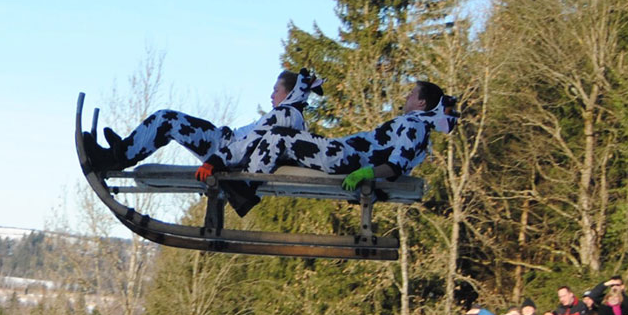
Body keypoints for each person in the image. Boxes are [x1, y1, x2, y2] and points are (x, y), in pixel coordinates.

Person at [84, 68, 323, 214]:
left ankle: (117, 157)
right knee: (166, 119)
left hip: (222, 148)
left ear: (289, 93)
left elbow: (253, 144)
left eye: (276, 90)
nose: (272, 95)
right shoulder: (291, 116)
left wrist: (219, 161)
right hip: (223, 143)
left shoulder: (288, 115)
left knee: (167, 119)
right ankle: (123, 150)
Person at [234, 81, 459, 212]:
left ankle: (242, 191)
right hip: (345, 155)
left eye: (411, 94)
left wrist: (364, 173)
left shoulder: (414, 124)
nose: (406, 97)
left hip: (346, 157)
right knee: (286, 147)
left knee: (279, 135)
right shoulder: (417, 127)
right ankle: (242, 177)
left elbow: (395, 166)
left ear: (421, 103)